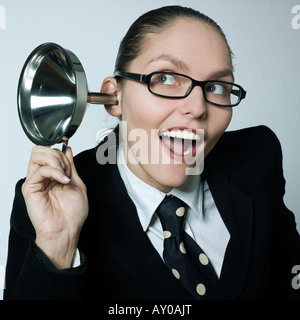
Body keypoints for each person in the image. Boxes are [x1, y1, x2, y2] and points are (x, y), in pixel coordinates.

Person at [4, 5, 300, 300]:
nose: (197, 108)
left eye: (217, 87)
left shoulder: (258, 157)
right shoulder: (47, 202)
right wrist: (58, 245)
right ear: (114, 97)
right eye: (166, 78)